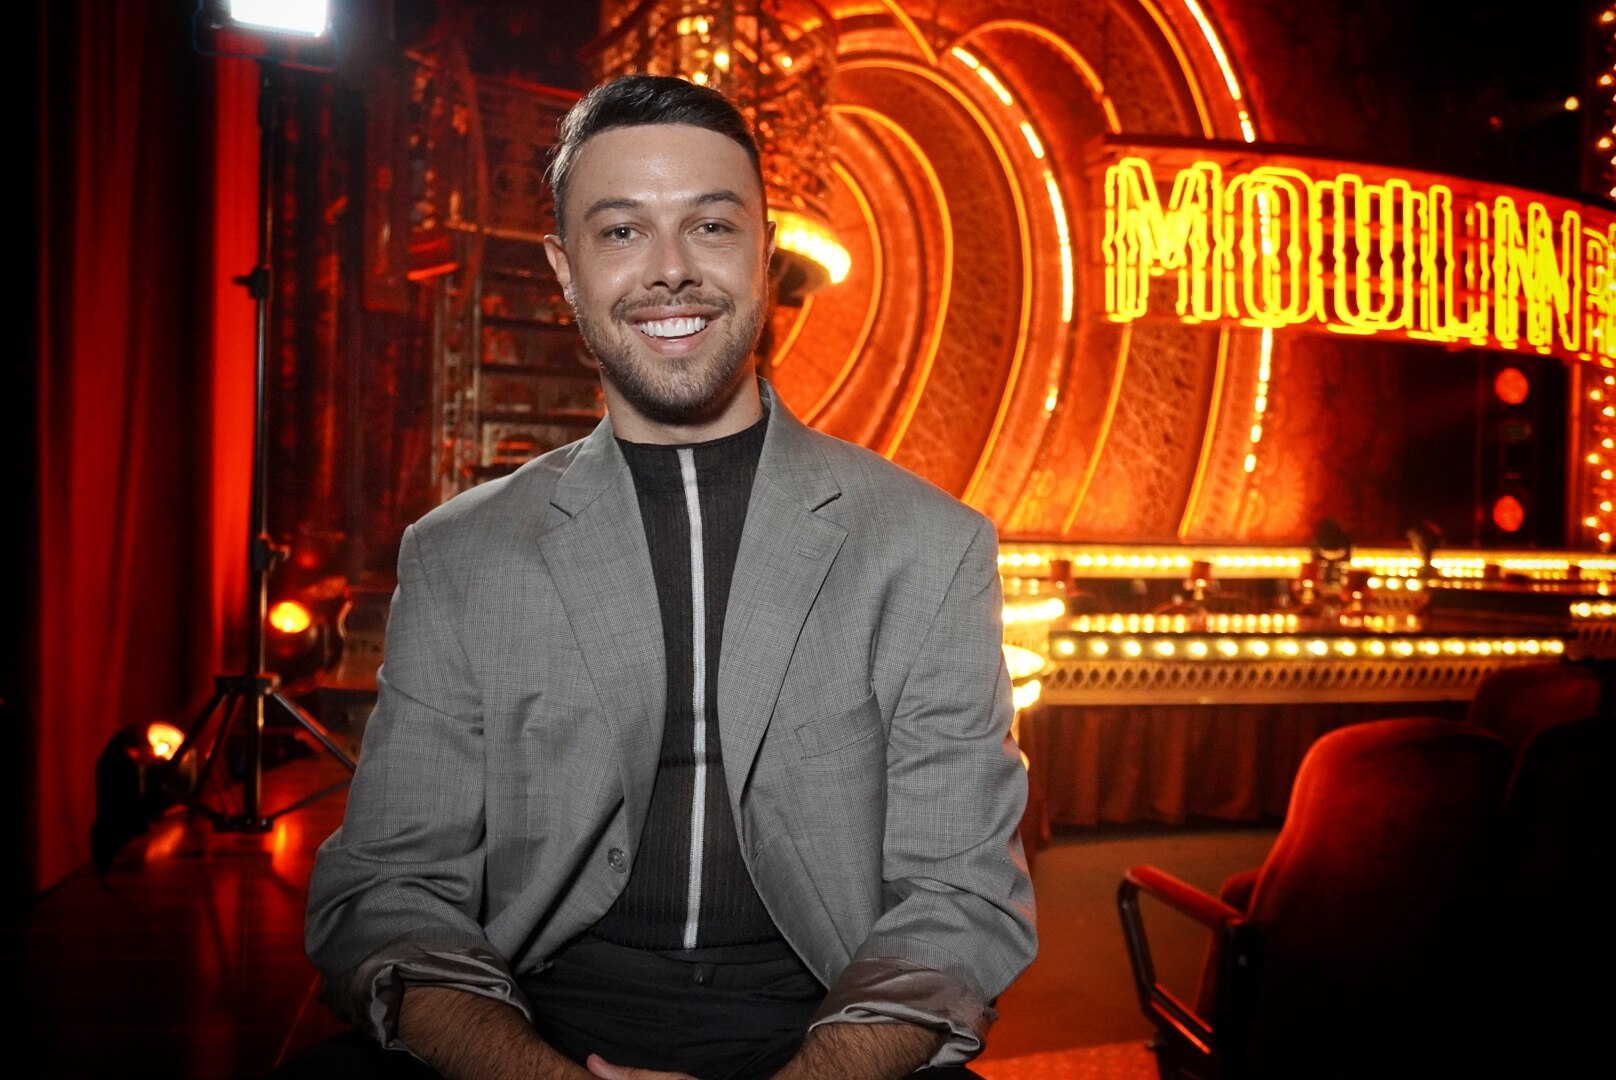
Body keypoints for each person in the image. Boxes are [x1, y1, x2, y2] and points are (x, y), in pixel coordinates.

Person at [299, 72, 1036, 1080]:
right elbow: (389, 892)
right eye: (620, 232)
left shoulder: (929, 544)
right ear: (564, 269)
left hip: (830, 1021)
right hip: (530, 1020)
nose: (671, 270)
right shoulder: (459, 553)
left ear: (765, 251)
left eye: (711, 226)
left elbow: (959, 899)